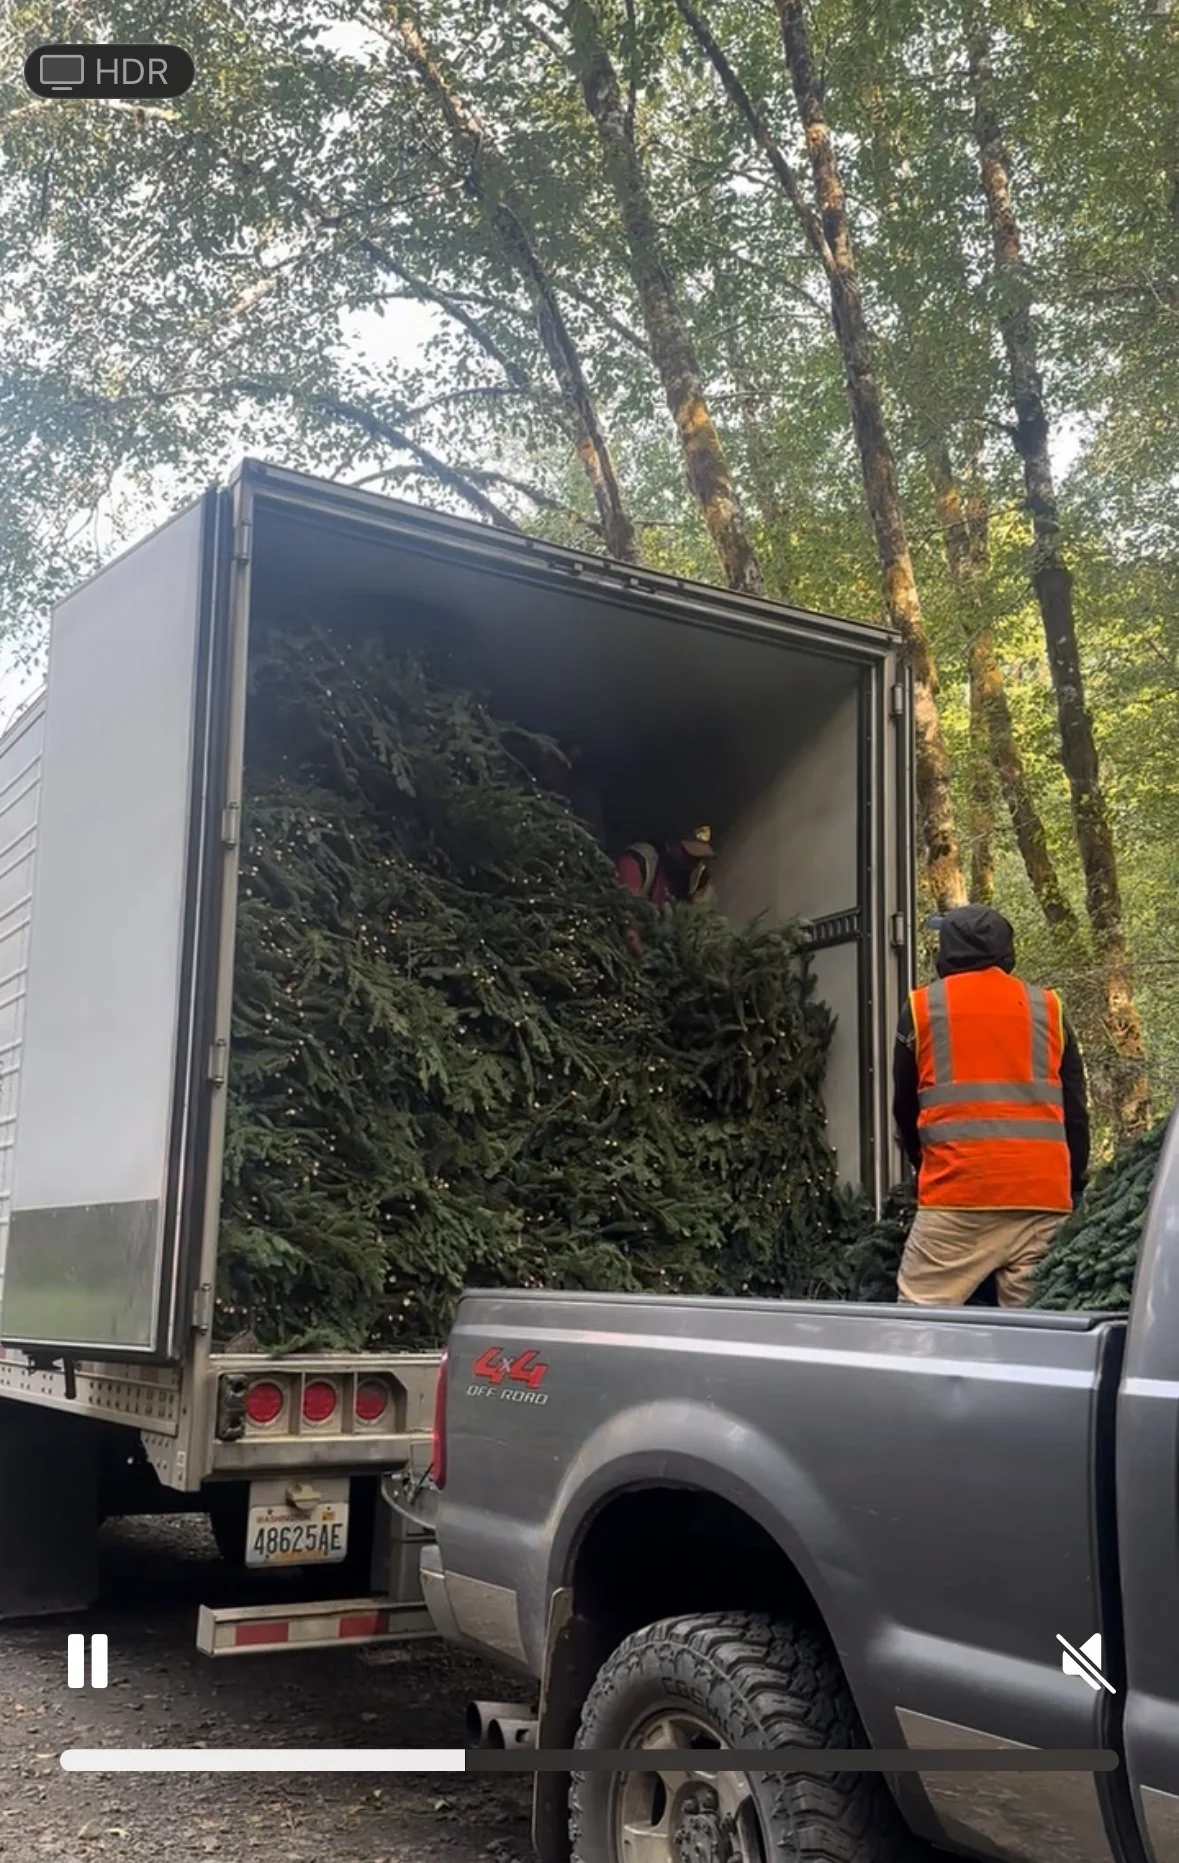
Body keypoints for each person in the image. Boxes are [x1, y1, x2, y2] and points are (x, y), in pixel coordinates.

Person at [892, 904, 1089, 1309]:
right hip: (1042, 1201)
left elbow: (905, 1108)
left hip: (958, 1196)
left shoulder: (922, 1009)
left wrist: (923, 1166)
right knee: (1037, 1339)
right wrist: (1072, 1183)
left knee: (916, 1330)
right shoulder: (1048, 1008)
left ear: (947, 951)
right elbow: (1075, 1109)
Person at [615, 826, 716, 906]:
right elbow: (625, 909)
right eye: (688, 855)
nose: (693, 863)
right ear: (672, 843)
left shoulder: (698, 877)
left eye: (698, 858)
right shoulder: (639, 861)